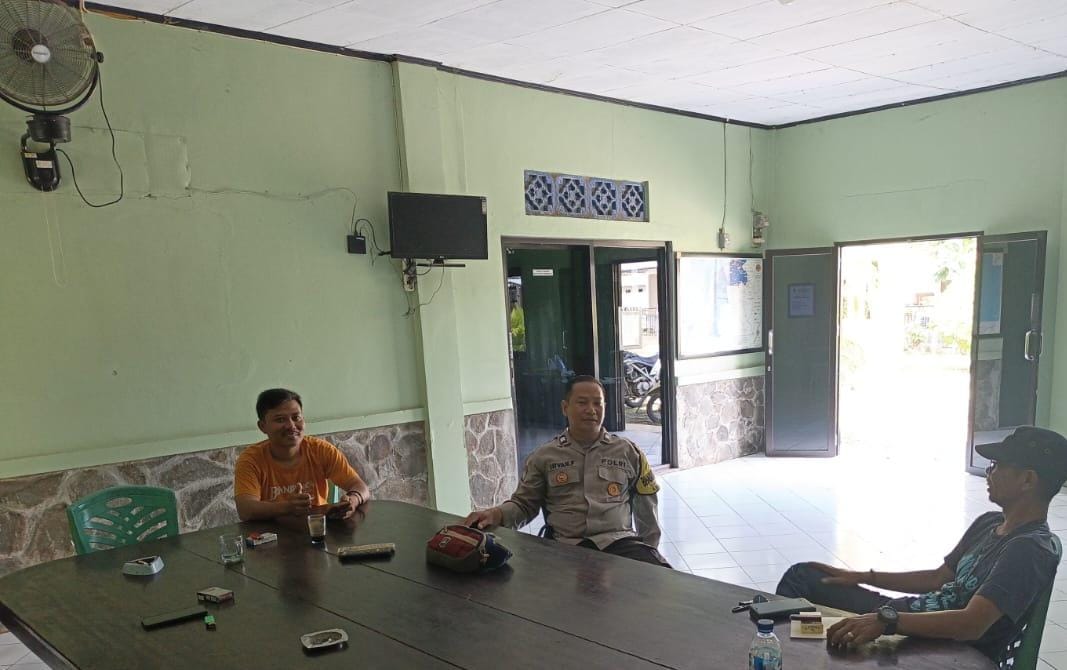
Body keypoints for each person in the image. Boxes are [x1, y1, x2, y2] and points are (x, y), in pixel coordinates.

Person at [775, 426, 1067, 666]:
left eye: (998, 466)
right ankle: (788, 652)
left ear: (1027, 480)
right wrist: (863, 577)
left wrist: (887, 622)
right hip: (906, 617)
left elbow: (971, 624)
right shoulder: (990, 522)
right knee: (804, 577)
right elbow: (937, 578)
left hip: (942, 648)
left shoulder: (1029, 550)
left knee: (806, 607)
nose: (989, 473)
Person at [463, 375, 669, 567]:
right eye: (582, 402)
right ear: (565, 407)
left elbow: (647, 506)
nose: (591, 410)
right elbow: (524, 505)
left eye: (597, 403)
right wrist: (496, 514)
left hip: (619, 544)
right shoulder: (544, 457)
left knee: (663, 581)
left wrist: (650, 551)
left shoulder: (629, 452)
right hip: (565, 547)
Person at [234, 388, 371, 522]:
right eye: (280, 420)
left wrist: (352, 501)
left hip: (316, 530)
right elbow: (245, 509)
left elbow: (361, 487)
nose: (291, 426)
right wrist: (287, 507)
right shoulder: (251, 460)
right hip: (269, 534)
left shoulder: (321, 450)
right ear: (262, 426)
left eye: (296, 417)